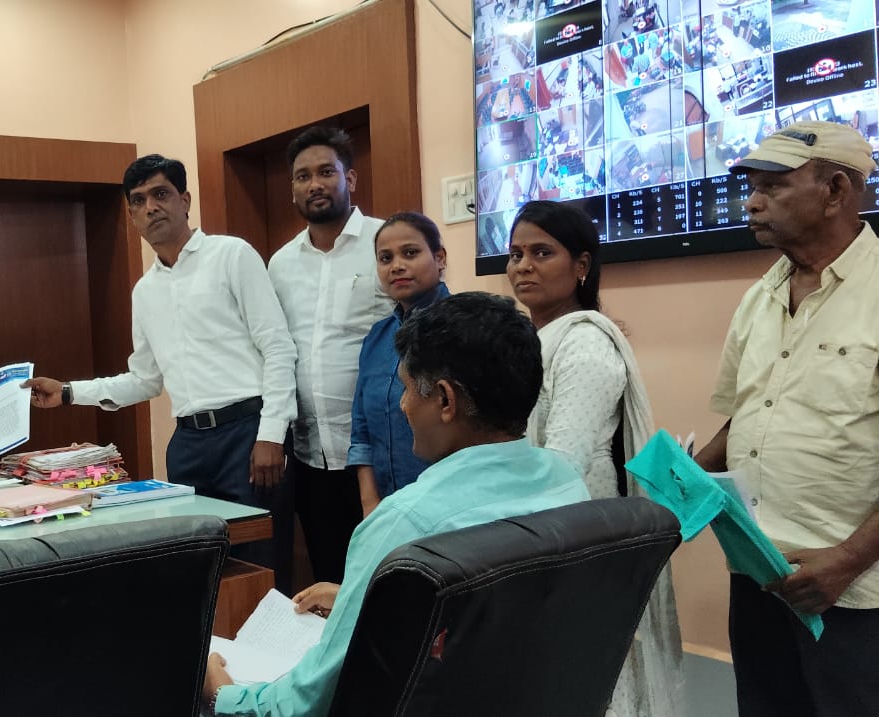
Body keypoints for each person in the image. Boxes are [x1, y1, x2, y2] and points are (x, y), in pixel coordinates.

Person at [203, 292, 591, 716]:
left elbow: (307, 704)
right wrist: (365, 599)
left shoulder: (405, 525)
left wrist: (224, 696)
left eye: (406, 389)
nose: (403, 405)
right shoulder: (567, 484)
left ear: (445, 400)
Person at [23, 154, 297, 584]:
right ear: (132, 216)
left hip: (247, 436)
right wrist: (69, 392)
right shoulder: (144, 291)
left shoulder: (232, 255)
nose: (151, 207)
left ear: (184, 201)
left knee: (260, 568)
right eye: (138, 200)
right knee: (201, 572)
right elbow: (145, 380)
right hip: (188, 447)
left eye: (161, 194)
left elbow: (278, 348)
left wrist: (272, 434)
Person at [691, 120, 879, 716]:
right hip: (759, 575)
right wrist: (684, 480)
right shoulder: (759, 297)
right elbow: (745, 417)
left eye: (773, 186)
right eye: (752, 187)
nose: (752, 201)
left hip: (852, 593)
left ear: (836, 191)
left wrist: (847, 560)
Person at [506, 200, 684, 717]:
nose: (523, 266)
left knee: (589, 671)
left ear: (581, 265)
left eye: (542, 253)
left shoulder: (585, 344)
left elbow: (562, 463)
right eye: (516, 254)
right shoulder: (529, 340)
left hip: (577, 526)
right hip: (537, 524)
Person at [267, 127, 392, 584]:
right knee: (329, 575)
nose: (314, 184)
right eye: (303, 176)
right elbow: (277, 348)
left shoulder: (386, 244)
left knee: (389, 576)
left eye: (326, 172)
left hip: (380, 449)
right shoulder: (280, 263)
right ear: (292, 189)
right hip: (310, 455)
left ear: (350, 179)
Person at [348, 212, 449, 517]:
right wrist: (370, 504)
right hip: (384, 508)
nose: (397, 266)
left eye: (410, 253)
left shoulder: (464, 329)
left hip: (448, 507)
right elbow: (361, 430)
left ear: (439, 258)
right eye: (385, 258)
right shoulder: (377, 337)